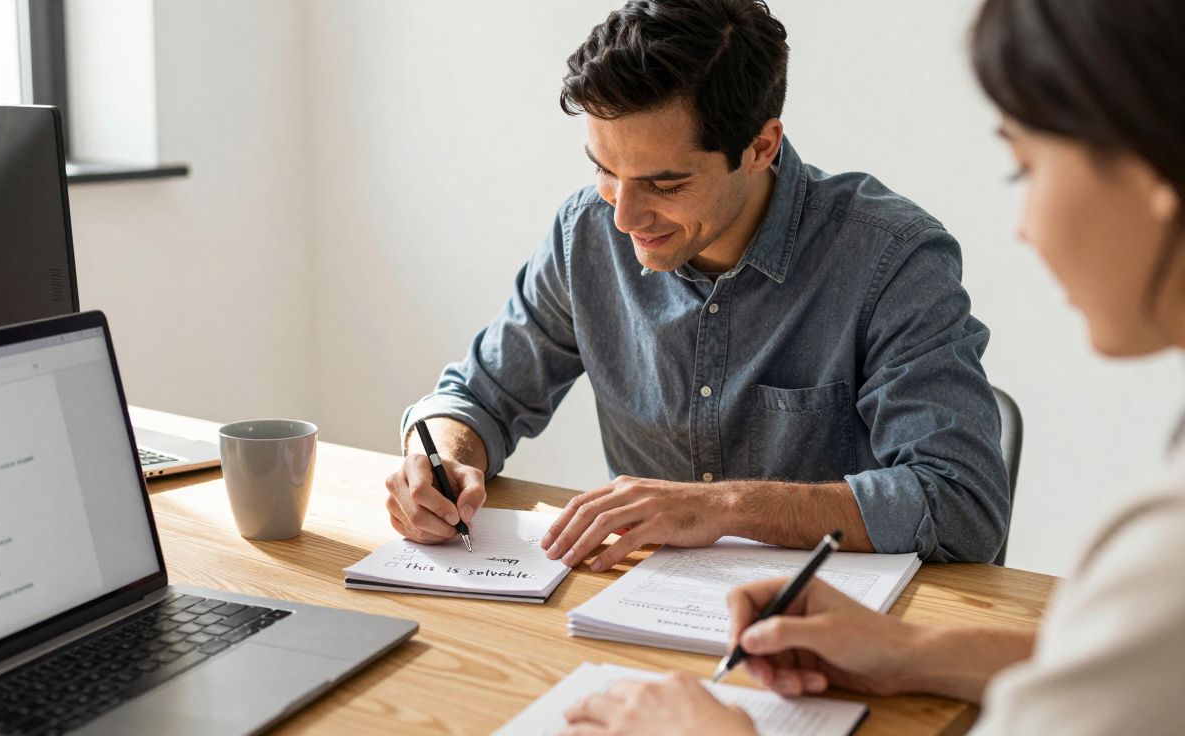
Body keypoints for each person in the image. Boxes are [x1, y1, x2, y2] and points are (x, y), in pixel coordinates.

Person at [559, 0, 1185, 732]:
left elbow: (967, 508)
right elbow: (1122, 667)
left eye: (1027, 169)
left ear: (1151, 173)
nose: (1024, 226)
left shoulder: (1165, 548)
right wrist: (910, 649)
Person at [386, 0, 1010, 569]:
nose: (624, 217)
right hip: (636, 616)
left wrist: (720, 507)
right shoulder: (588, 232)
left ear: (761, 146)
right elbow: (477, 397)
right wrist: (442, 459)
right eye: (605, 170)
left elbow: (962, 502)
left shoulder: (891, 257)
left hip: (829, 634)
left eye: (665, 184)